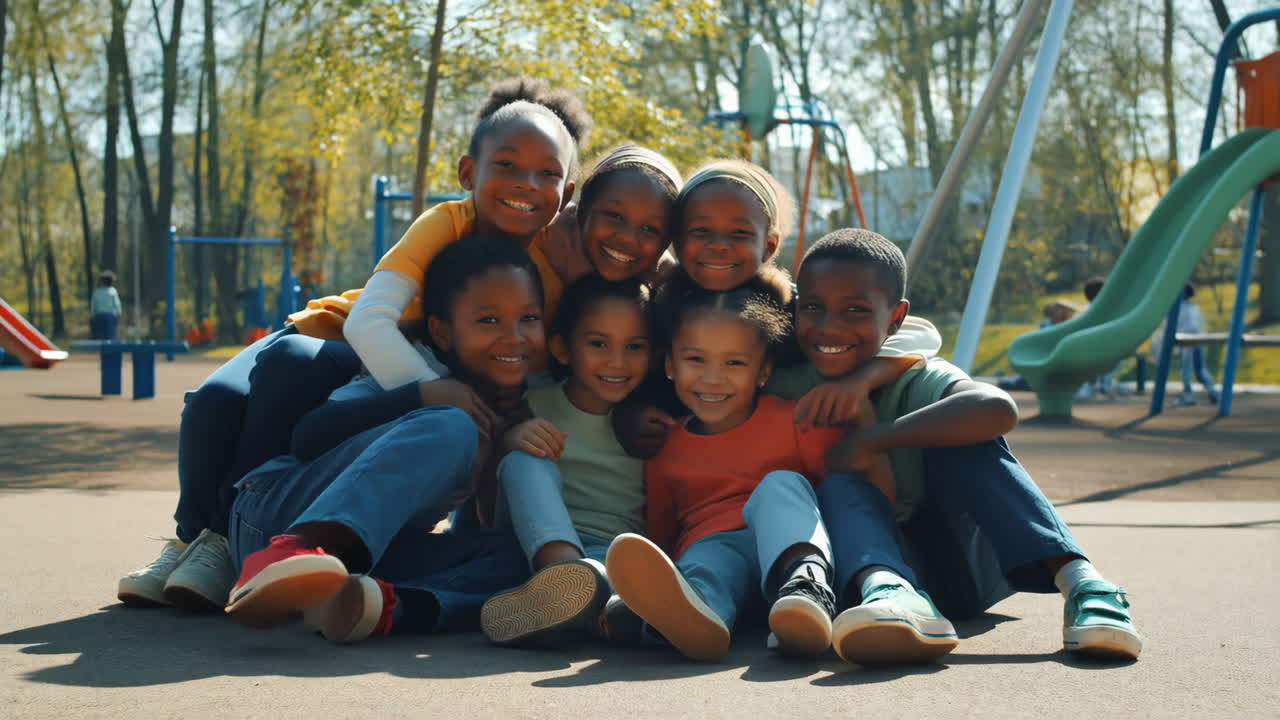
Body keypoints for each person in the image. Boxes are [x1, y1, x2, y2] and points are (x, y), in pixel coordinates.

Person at [116, 77, 592, 611]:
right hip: (335, 339)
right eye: (506, 165)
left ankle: (374, 598)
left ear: (566, 192)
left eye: (547, 173)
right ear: (467, 174)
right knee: (227, 396)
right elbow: (368, 325)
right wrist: (433, 391)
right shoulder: (448, 223)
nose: (526, 183)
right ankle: (210, 540)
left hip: (414, 367)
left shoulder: (552, 265)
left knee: (499, 546)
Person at [785, 228, 1141, 665]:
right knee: (836, 480)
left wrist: (874, 438)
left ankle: (1085, 584)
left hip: (958, 563)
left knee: (965, 435)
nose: (829, 326)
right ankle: (892, 593)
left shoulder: (916, 376)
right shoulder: (786, 380)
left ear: (896, 319)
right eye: (813, 308)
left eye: (856, 309)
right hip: (861, 575)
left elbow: (996, 407)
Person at [225, 234, 544, 640]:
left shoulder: (518, 399)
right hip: (273, 513)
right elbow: (308, 438)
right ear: (442, 332)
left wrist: (504, 446)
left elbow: (472, 523)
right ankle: (292, 552)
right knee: (449, 425)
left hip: (374, 550)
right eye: (488, 320)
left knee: (521, 560)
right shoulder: (410, 369)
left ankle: (378, 605)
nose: (514, 336)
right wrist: (418, 396)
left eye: (529, 318)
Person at [604, 275, 879, 661]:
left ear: (763, 371)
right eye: (695, 359)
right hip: (715, 548)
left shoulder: (797, 421)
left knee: (780, 486)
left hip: (789, 549)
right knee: (705, 560)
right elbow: (663, 532)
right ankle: (696, 616)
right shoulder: (665, 444)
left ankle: (806, 595)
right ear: (669, 364)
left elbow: (846, 498)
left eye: (734, 362)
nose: (713, 378)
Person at [617, 159, 942, 459]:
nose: (718, 244)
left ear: (769, 246)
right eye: (701, 231)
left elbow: (916, 335)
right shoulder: (660, 306)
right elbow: (638, 371)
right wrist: (631, 413)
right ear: (678, 239)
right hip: (697, 471)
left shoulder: (790, 306)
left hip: (787, 463)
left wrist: (866, 378)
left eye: (740, 233)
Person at [478, 274, 653, 646]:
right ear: (562, 349)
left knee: (624, 583)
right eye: (598, 344)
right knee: (526, 460)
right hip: (531, 543)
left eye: (635, 346)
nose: (617, 361)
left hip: (610, 554)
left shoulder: (652, 422)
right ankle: (566, 579)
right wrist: (508, 442)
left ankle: (578, 610)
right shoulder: (532, 406)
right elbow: (484, 507)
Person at [1172, 283, 1218, 406]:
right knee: (1200, 369)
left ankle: (1189, 395)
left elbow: (1185, 326)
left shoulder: (1180, 308)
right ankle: (1213, 391)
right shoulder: (1194, 307)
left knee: (1187, 369)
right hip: (1197, 340)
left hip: (1187, 340)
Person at [90, 270, 123, 340]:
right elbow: (117, 304)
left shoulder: (96, 292)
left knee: (100, 337)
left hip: (98, 316)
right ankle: (110, 350)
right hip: (110, 317)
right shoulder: (113, 291)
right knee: (110, 336)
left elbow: (93, 306)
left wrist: (92, 315)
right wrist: (119, 314)